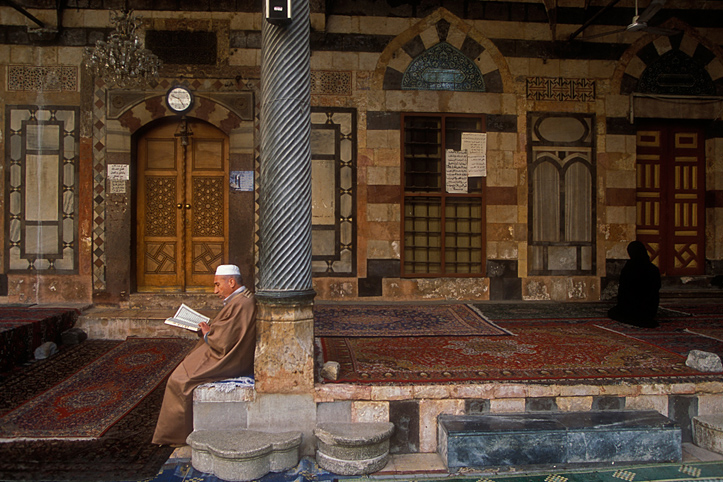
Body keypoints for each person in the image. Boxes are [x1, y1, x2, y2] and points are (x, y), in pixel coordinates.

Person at [152, 264, 257, 446]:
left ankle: (175, 437)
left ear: (231, 282)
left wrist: (208, 333)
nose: (215, 291)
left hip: (229, 358)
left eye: (218, 285)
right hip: (225, 352)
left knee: (179, 380)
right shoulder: (240, 299)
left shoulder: (241, 303)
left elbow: (223, 343)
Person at [607, 241, 661, 328]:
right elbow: (657, 287)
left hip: (629, 310)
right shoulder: (653, 269)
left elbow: (623, 290)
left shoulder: (629, 268)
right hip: (649, 311)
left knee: (613, 312)